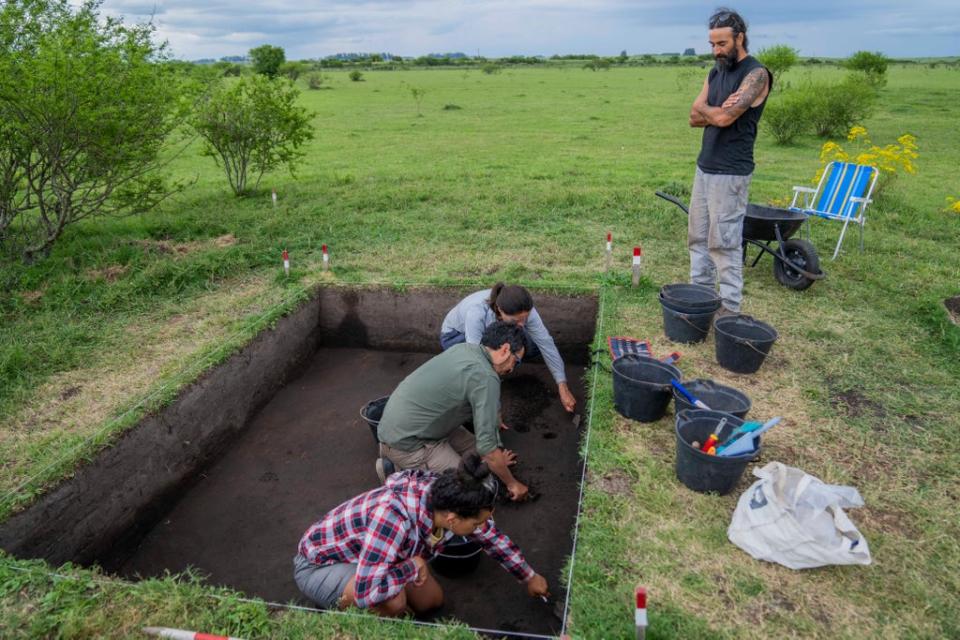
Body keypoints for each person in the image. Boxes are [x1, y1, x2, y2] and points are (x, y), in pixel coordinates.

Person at [293, 454, 550, 615]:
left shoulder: (445, 497)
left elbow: (491, 537)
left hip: (375, 554)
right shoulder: (392, 518)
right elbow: (365, 591)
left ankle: (387, 584)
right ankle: (342, 612)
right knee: (393, 604)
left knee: (431, 602)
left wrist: (529, 577)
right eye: (477, 524)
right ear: (452, 519)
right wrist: (411, 567)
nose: (482, 528)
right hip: (321, 565)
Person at [378, 321, 531, 501]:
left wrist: (494, 458)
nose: (513, 368)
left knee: (480, 459)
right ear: (505, 350)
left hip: (415, 424)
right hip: (408, 444)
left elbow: (486, 442)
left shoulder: (466, 349)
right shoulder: (485, 377)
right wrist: (512, 484)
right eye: (517, 361)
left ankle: (407, 464)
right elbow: (488, 449)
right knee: (472, 490)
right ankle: (398, 475)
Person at [688, 8, 772, 315]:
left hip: (731, 172)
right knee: (698, 238)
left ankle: (729, 311)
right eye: (712, 44)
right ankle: (699, 301)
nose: (716, 51)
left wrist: (713, 112)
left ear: (740, 37)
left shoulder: (756, 74)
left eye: (722, 43)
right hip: (705, 166)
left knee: (723, 244)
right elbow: (694, 115)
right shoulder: (716, 72)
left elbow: (723, 117)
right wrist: (714, 112)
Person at [439, 284, 577, 414]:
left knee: (533, 345)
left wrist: (562, 385)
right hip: (456, 336)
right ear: (500, 309)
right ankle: (478, 387)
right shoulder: (477, 313)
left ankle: (501, 368)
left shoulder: (524, 310)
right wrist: (495, 409)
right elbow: (476, 359)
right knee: (481, 365)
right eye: (516, 320)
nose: (522, 324)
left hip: (493, 331)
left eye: (525, 318)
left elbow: (546, 343)